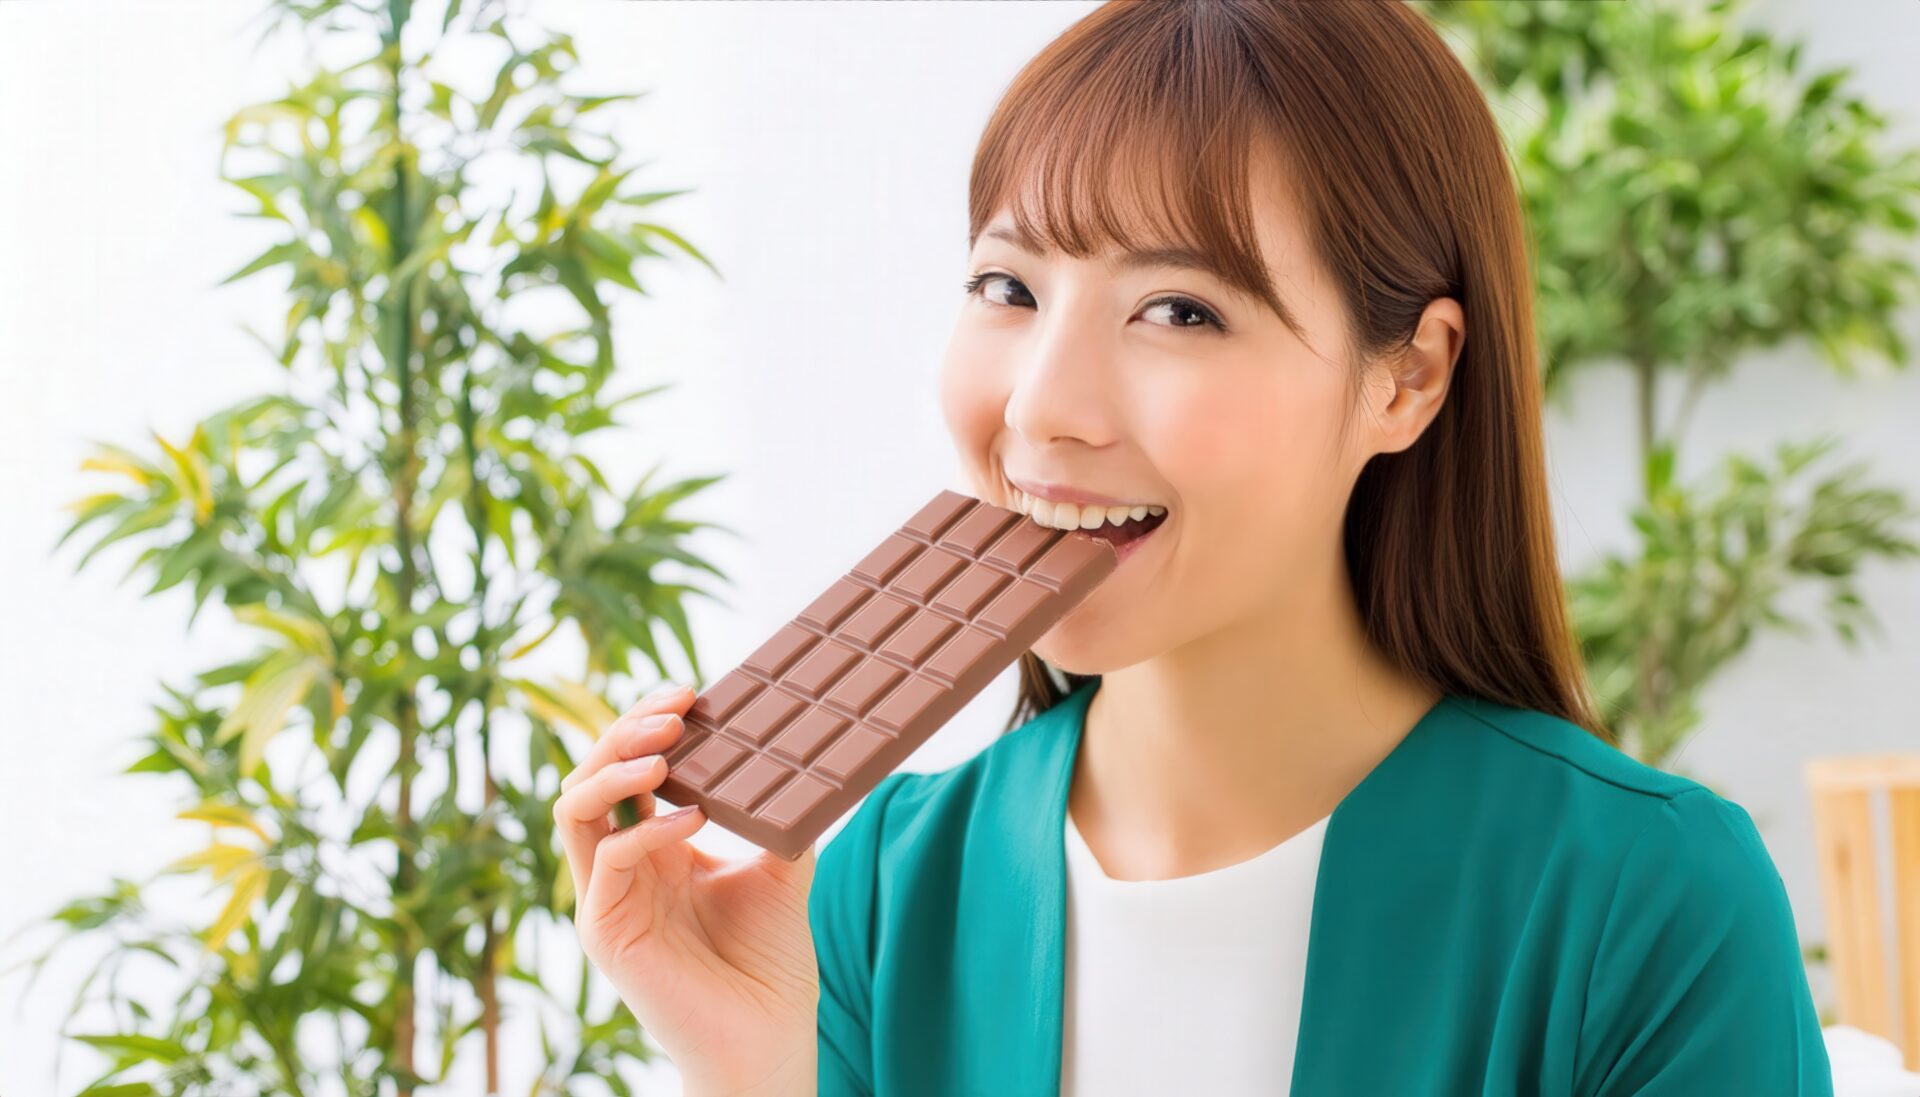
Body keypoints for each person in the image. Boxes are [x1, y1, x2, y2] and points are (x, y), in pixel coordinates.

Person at [553, 2, 1835, 1094]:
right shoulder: (877, 892)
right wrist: (759, 1069)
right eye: (1010, 288)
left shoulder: (1646, 902)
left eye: (1179, 309)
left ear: (1410, 379)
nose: (1043, 405)